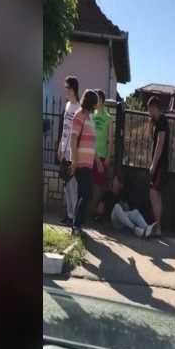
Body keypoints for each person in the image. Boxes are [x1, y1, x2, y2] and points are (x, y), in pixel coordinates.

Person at [69, 89, 102, 235]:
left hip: (88, 163)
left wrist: (97, 160)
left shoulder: (89, 118)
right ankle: (76, 225)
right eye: (95, 103)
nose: (96, 106)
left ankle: (77, 225)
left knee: (82, 193)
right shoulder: (80, 115)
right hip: (80, 163)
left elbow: (91, 143)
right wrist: (74, 161)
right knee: (87, 194)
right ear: (91, 102)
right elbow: (73, 137)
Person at [97, 173, 158, 238]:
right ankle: (135, 229)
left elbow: (127, 210)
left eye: (118, 181)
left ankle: (146, 228)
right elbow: (100, 211)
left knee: (135, 212)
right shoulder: (107, 194)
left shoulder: (123, 196)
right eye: (115, 180)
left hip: (124, 221)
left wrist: (124, 205)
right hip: (114, 221)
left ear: (121, 185)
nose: (116, 182)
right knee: (117, 206)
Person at [58, 76, 80, 225]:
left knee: (73, 186)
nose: (65, 91)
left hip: (72, 152)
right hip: (64, 149)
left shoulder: (78, 109)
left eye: (66, 88)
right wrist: (60, 146)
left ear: (72, 90)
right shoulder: (67, 106)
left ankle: (75, 218)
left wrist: (74, 154)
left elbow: (76, 133)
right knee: (66, 184)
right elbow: (64, 129)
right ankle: (69, 214)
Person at [146, 97, 169, 236]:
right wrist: (150, 127)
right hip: (159, 163)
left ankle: (158, 226)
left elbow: (160, 145)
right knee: (156, 193)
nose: (149, 113)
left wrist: (154, 164)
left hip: (160, 164)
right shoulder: (157, 122)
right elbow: (152, 140)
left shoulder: (162, 122)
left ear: (155, 108)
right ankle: (157, 226)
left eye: (150, 110)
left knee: (153, 192)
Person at [91, 89, 113, 218]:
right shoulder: (91, 115)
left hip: (102, 155)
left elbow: (110, 139)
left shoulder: (108, 118)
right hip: (91, 155)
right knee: (90, 184)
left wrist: (109, 155)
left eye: (98, 99)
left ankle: (95, 212)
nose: (96, 101)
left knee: (99, 186)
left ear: (103, 101)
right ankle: (89, 211)